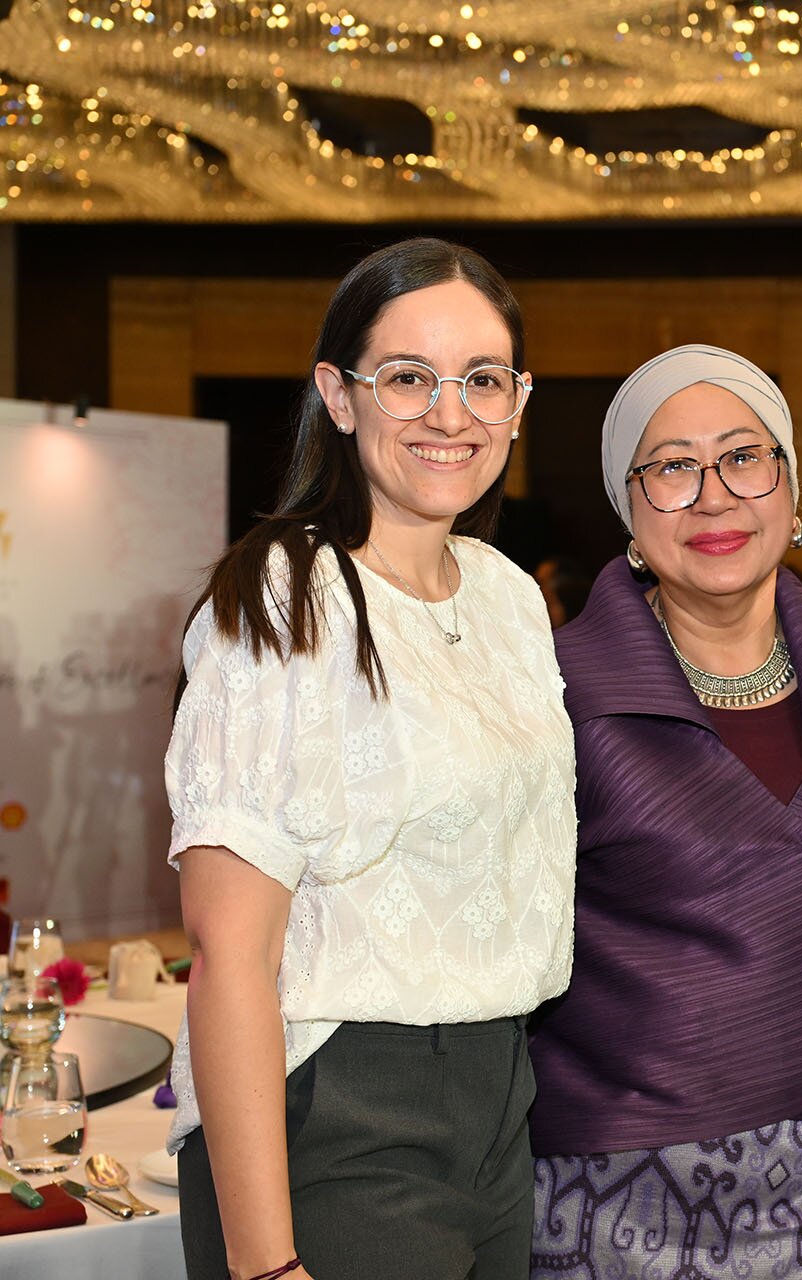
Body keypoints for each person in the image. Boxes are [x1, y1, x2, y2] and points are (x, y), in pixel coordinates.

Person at [165, 238, 575, 1280]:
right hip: (340, 1105)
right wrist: (265, 1265)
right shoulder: (285, 597)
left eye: (483, 379)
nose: (451, 413)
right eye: (408, 378)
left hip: (499, 1097)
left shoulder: (508, 598)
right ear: (339, 396)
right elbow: (228, 951)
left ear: (518, 402)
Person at [526, 345, 802, 1280]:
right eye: (672, 468)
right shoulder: (549, 691)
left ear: (791, 488)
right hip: (608, 1186)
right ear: (628, 510)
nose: (713, 496)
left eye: (743, 457)